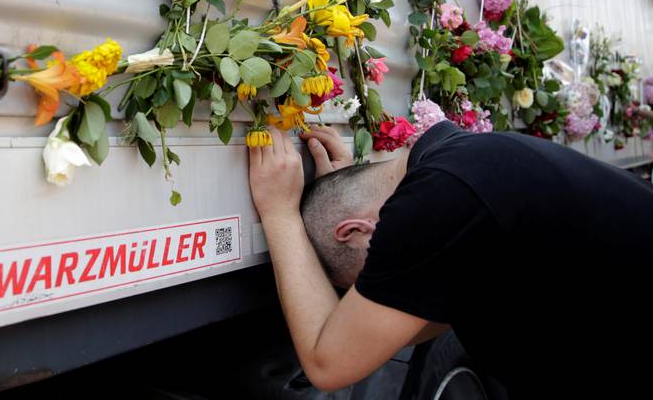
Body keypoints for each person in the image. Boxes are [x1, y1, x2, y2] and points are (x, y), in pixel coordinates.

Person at [248, 121, 653, 398]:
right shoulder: (460, 166)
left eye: (367, 280)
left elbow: (328, 365)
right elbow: (414, 314)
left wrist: (280, 214)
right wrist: (339, 193)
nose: (376, 292)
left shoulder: (443, 196)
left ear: (356, 230)